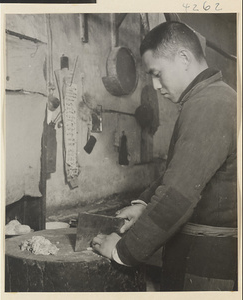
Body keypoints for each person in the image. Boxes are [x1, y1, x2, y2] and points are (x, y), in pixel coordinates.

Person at [92, 21, 238, 291]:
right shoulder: (212, 98)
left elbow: (176, 196)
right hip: (202, 259)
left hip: (204, 266)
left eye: (157, 73)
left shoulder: (210, 104)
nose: (156, 86)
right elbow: (182, 171)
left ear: (183, 58)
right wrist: (144, 203)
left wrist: (122, 252)